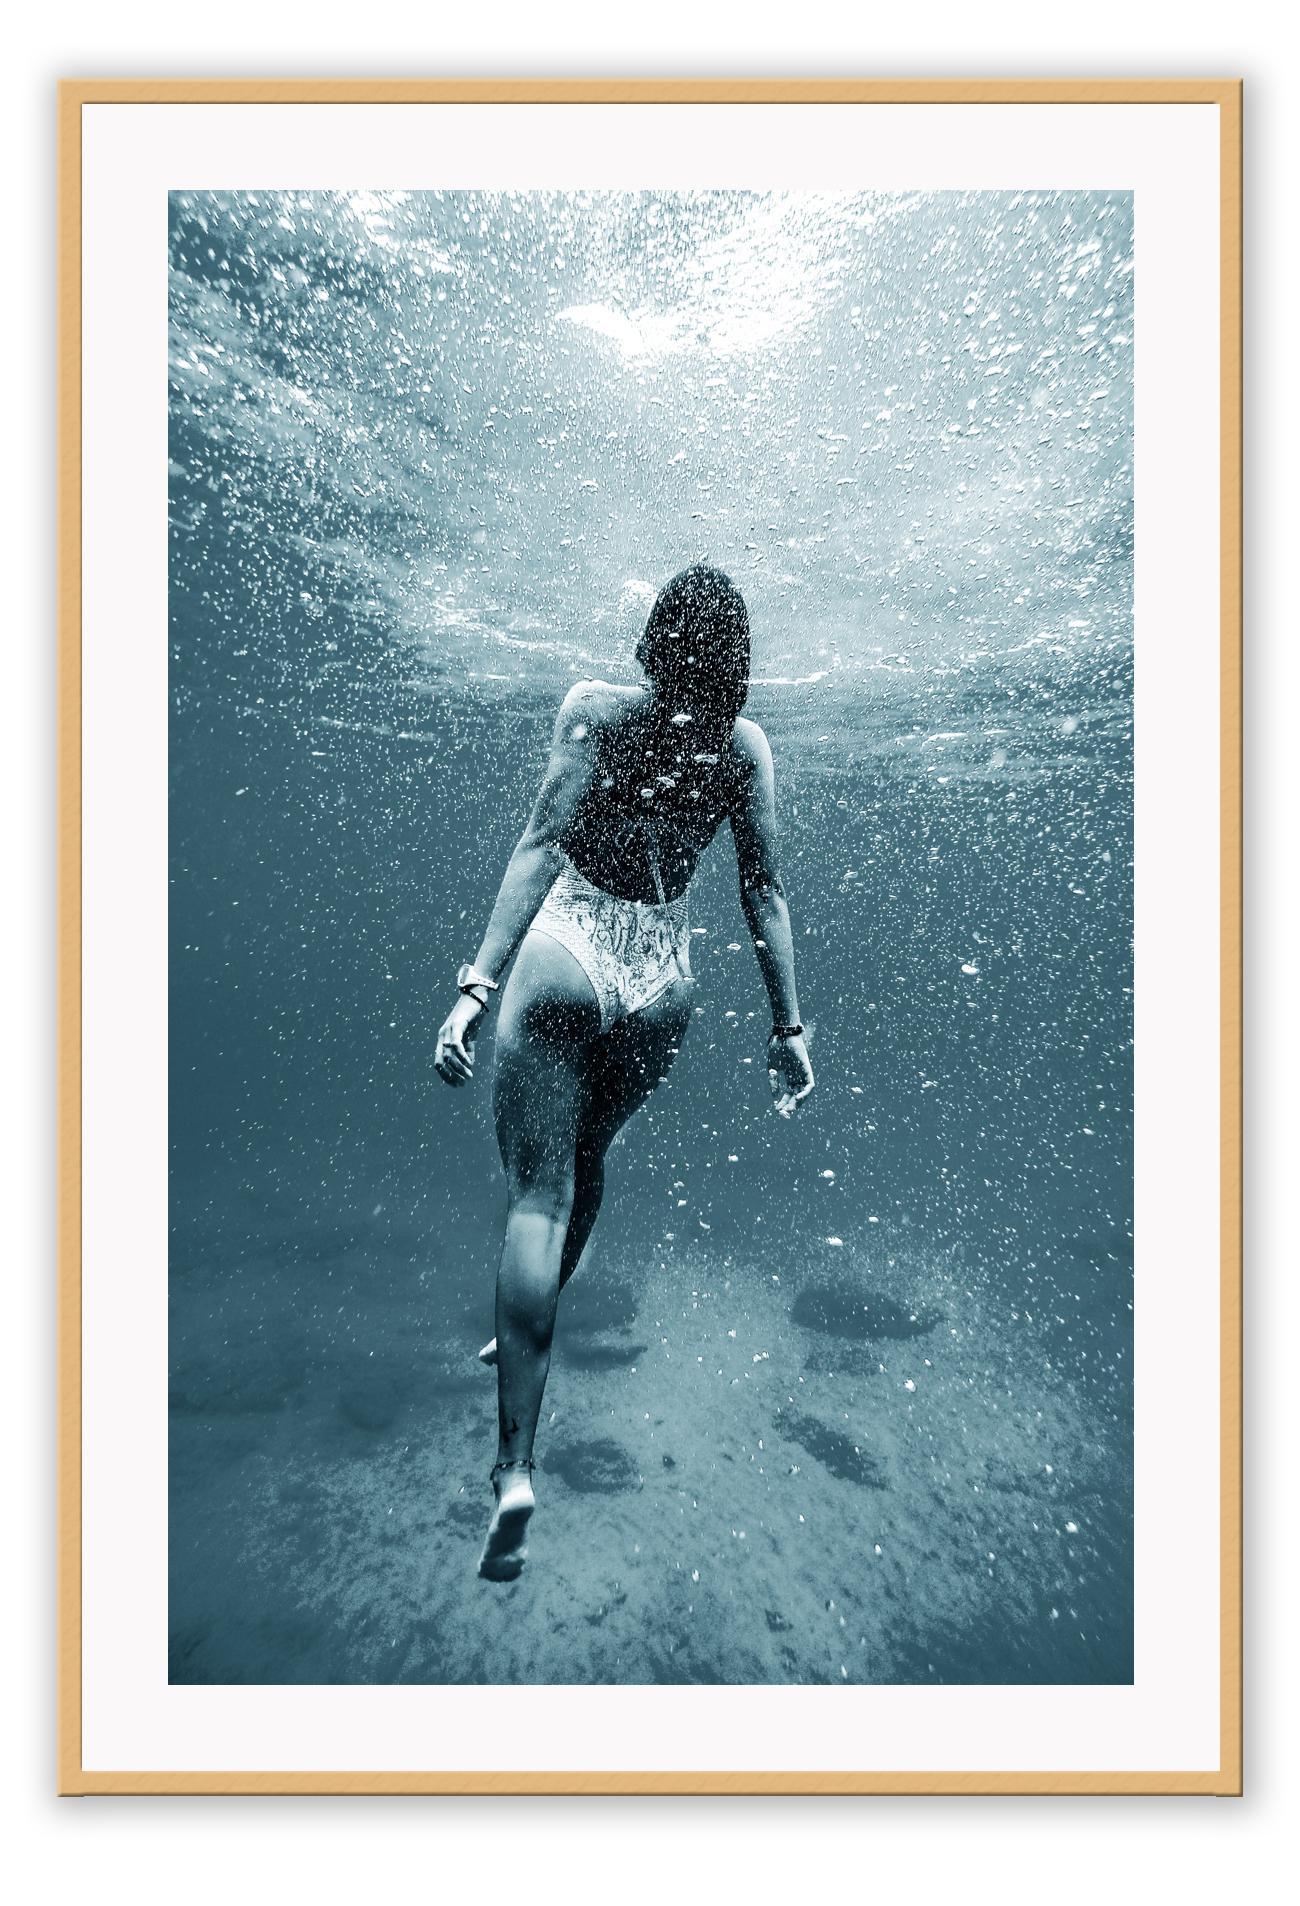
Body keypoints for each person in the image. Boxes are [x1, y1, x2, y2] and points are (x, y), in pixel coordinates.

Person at [434, 564, 814, 1581]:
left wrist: (477, 985)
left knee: (533, 1198)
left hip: (568, 953)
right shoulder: (742, 749)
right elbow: (763, 893)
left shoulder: (594, 713)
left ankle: (513, 1464)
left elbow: (538, 846)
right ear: (736, 660)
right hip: (662, 980)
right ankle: (539, 1314)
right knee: (590, 1153)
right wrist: (787, 1027)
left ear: (652, 636)